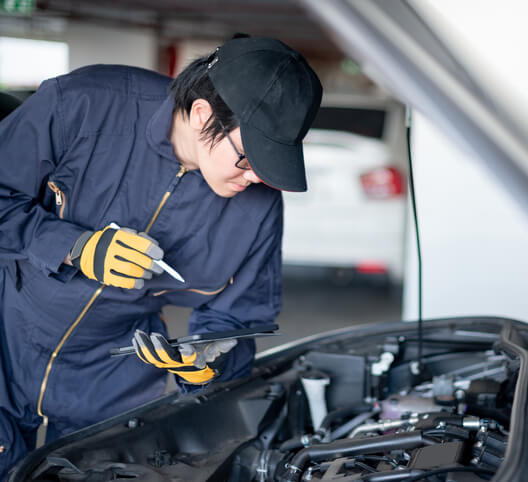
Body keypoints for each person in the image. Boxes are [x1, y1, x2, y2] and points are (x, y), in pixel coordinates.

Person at [0, 34, 322, 477]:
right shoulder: (84, 104)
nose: (257, 179)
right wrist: (74, 246)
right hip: (7, 331)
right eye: (249, 159)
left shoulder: (259, 209)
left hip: (113, 369)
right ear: (202, 113)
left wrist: (208, 362)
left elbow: (241, 319)